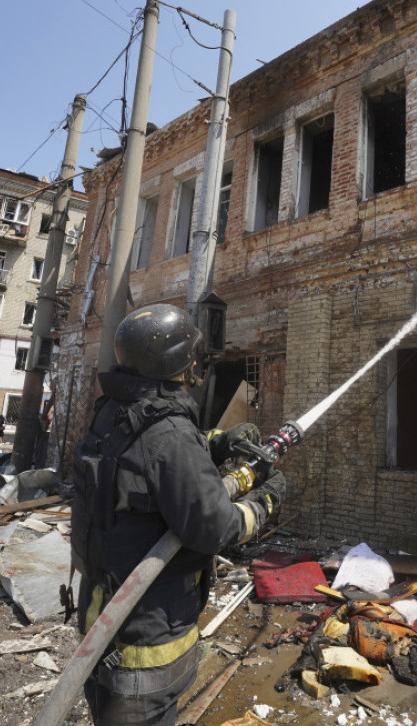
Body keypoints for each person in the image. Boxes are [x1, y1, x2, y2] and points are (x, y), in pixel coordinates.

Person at [73, 304, 285, 726]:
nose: (196, 367)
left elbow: (147, 462)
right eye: (193, 358)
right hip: (145, 644)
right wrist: (265, 503)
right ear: (178, 363)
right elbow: (216, 525)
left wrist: (217, 443)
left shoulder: (112, 411)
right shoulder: (169, 434)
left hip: (100, 623)